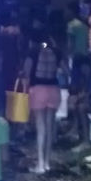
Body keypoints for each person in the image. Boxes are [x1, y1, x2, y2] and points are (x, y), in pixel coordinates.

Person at [23, 30, 67, 173]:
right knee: (49, 127)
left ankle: (40, 164)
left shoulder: (33, 52)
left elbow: (26, 73)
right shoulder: (57, 52)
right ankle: (47, 162)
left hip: (38, 90)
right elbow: (66, 71)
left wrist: (25, 91)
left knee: (40, 129)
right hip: (54, 89)